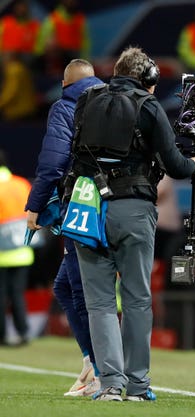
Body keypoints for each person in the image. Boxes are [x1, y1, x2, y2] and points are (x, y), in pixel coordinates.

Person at [68, 46, 195, 402]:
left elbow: (74, 150)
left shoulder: (87, 99)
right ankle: (138, 385)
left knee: (99, 302)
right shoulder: (148, 106)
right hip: (131, 207)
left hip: (88, 206)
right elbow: (175, 164)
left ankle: (110, 384)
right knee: (136, 300)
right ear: (148, 78)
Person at [24, 58, 102, 396]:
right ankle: (92, 362)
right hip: (116, 203)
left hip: (81, 205)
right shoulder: (114, 104)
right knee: (67, 287)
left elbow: (54, 161)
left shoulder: (67, 105)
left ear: (66, 85)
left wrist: (35, 206)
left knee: (80, 290)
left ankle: (100, 370)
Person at [0, 150, 32, 346]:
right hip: (23, 251)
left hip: (2, 253)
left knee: (1, 295)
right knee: (18, 293)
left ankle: (2, 335)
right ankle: (23, 332)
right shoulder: (21, 184)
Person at [35, 0, 90, 75]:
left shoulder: (80, 19)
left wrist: (85, 64)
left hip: (76, 61)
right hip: (57, 61)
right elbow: (42, 42)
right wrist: (40, 61)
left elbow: (85, 44)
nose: (71, 2)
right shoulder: (53, 19)